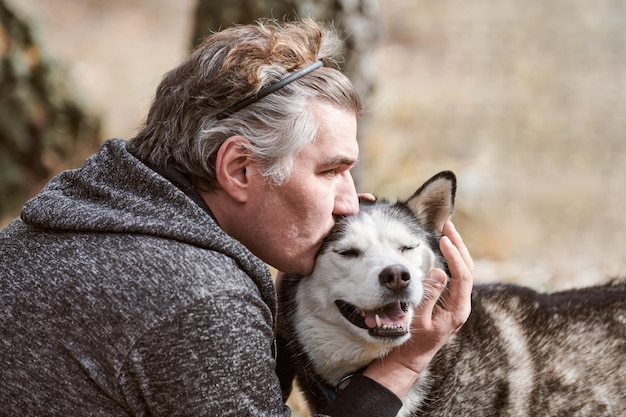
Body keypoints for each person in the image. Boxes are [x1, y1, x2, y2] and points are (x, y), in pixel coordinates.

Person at [0, 19, 473, 416]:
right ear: (239, 169)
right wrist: (406, 362)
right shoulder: (201, 302)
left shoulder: (57, 221)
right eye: (332, 171)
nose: (350, 202)